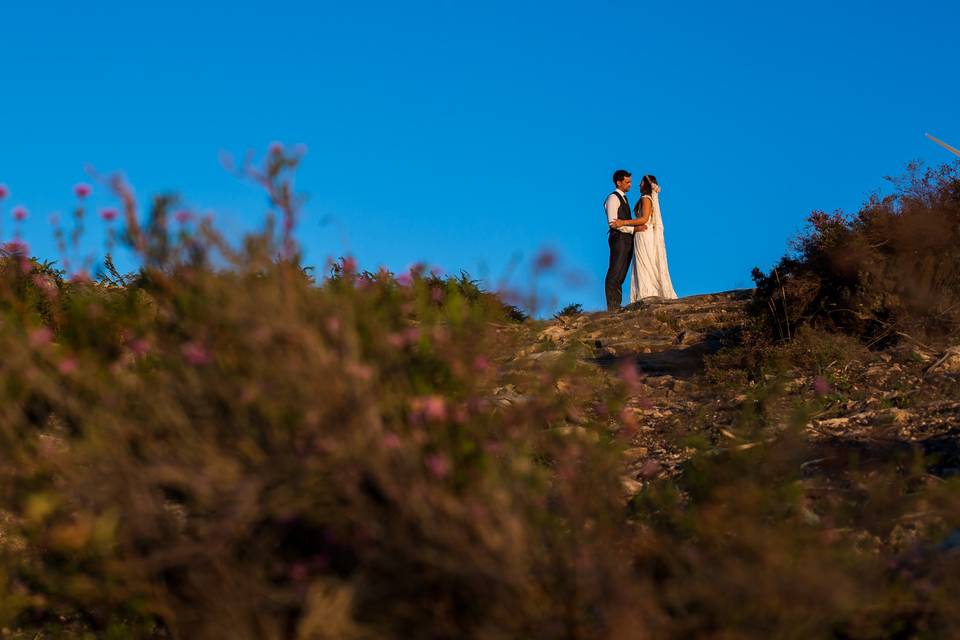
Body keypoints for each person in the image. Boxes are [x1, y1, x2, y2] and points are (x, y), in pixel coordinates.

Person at [610, 174, 677, 302]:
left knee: (645, 262)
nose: (638, 185)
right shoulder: (645, 198)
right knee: (644, 262)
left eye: (641, 183)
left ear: (646, 185)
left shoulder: (646, 198)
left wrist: (623, 222)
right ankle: (646, 291)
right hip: (641, 234)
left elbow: (644, 219)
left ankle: (647, 292)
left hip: (644, 234)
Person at [603, 170, 646, 310]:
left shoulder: (625, 198)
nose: (630, 185)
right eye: (627, 182)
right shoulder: (613, 198)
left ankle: (617, 305)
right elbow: (613, 223)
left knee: (621, 274)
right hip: (618, 239)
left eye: (630, 182)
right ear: (618, 182)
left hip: (627, 239)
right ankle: (612, 307)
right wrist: (633, 229)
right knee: (615, 271)